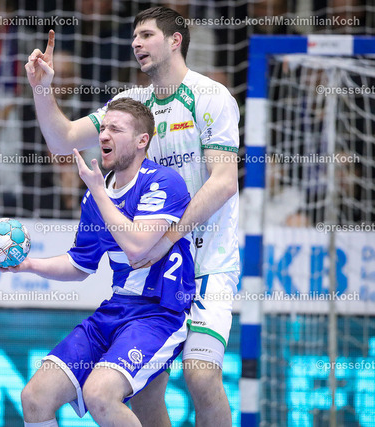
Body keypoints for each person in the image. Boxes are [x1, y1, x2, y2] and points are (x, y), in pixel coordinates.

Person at [25, 6, 240, 426]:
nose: (136, 43)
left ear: (175, 40)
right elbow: (63, 139)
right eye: (134, 36)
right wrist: (42, 89)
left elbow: (224, 182)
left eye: (146, 35)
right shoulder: (131, 107)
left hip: (206, 263)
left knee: (201, 376)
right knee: (143, 395)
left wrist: (167, 238)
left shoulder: (210, 96)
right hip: (149, 275)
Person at [0, 98, 195, 426]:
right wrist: (28, 265)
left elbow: (137, 247)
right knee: (35, 397)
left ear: (142, 140)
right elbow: (79, 265)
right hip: (115, 309)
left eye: (116, 129)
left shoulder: (162, 182)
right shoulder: (94, 195)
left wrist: (100, 192)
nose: (103, 135)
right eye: (102, 128)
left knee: (100, 395)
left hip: (157, 315)